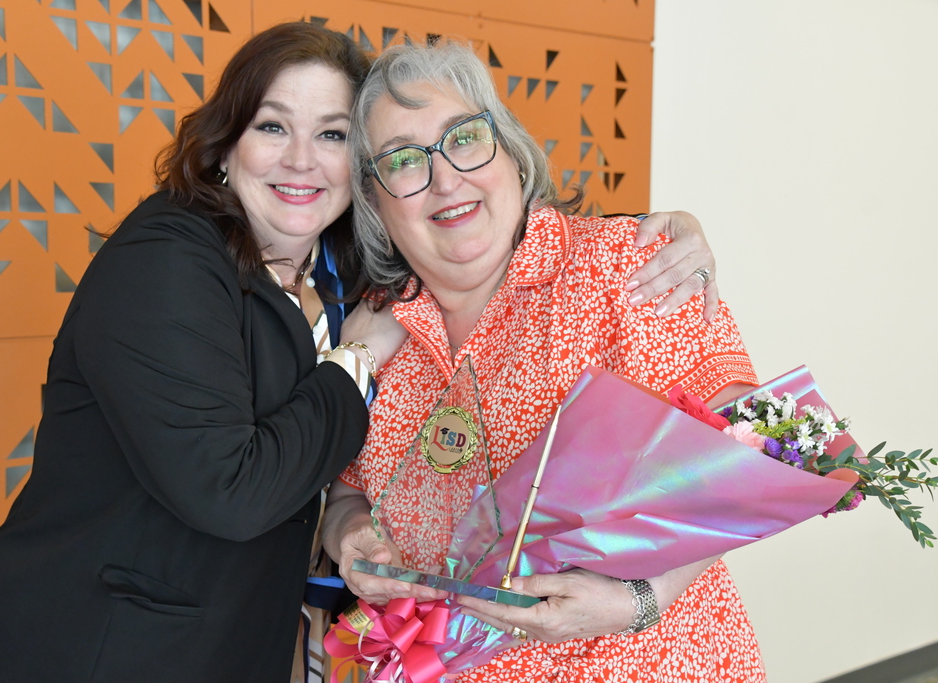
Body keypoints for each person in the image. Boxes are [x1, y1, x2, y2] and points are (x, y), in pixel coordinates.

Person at [0, 21, 723, 683]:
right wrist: (351, 390)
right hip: (99, 650)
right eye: (271, 126)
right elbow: (247, 491)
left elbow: (478, 226)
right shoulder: (174, 265)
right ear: (226, 140)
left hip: (226, 649)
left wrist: (652, 231)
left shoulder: (346, 271)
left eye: (330, 133)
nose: (302, 160)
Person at [322, 40, 766, 682]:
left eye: (465, 138)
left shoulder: (625, 266)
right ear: (375, 200)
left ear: (509, 149)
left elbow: (753, 452)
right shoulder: (373, 329)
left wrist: (640, 600)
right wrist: (349, 534)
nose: (446, 179)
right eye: (404, 161)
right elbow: (347, 490)